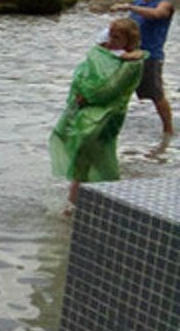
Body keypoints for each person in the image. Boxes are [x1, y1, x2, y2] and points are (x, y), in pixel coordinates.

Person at [49, 18, 146, 207]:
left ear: (129, 40)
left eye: (117, 37)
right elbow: (84, 73)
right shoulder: (104, 53)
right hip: (89, 108)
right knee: (84, 150)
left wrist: (86, 96)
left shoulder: (132, 63)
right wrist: (81, 94)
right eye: (111, 36)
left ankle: (91, 199)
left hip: (109, 113)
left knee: (92, 150)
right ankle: (80, 200)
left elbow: (110, 89)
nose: (111, 41)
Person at [113, 0, 174, 134]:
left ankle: (168, 128)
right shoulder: (138, 1)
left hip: (151, 56)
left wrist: (130, 7)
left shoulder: (164, 4)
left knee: (155, 93)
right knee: (117, 90)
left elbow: (157, 14)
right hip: (130, 55)